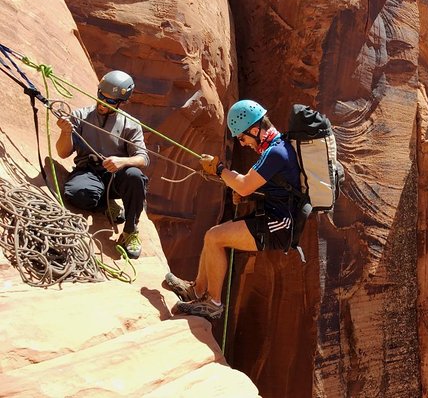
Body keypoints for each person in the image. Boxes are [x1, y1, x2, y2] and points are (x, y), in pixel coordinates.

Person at [165, 99, 301, 319]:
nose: (242, 142)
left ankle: (213, 304)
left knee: (215, 237)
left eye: (242, 137)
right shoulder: (276, 147)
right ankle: (197, 290)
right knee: (216, 235)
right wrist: (245, 192)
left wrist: (219, 169)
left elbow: (245, 185)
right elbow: (266, 186)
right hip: (273, 217)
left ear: (256, 129)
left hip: (279, 224)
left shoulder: (275, 152)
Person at [55, 70, 149, 259]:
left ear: (122, 102)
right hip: (88, 171)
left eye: (111, 101)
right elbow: (62, 152)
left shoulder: (130, 124)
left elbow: (143, 158)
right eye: (101, 96)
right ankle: (106, 205)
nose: (103, 103)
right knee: (77, 194)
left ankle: (130, 231)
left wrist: (122, 161)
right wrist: (65, 133)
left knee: (135, 177)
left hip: (115, 176)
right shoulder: (81, 115)